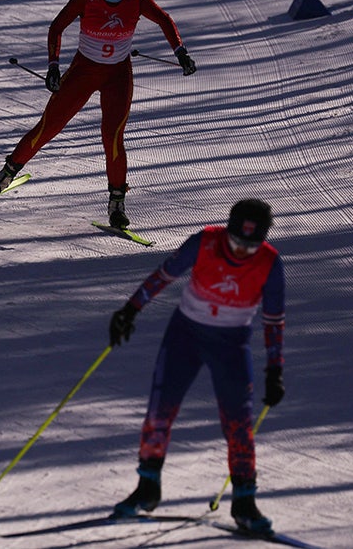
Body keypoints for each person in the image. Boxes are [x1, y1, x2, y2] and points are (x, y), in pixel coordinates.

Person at [0, 0, 196, 229]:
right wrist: (54, 67)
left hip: (118, 74)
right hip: (84, 71)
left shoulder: (137, 0)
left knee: (113, 137)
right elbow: (56, 27)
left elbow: (165, 20)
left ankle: (117, 202)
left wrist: (181, 53)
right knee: (49, 126)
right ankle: (5, 175)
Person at [107, 198, 286, 534]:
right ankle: (147, 488)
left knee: (239, 421)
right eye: (236, 242)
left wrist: (274, 369)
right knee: (160, 409)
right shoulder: (204, 241)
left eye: (251, 244)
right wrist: (130, 310)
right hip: (185, 335)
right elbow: (164, 275)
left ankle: (245, 502)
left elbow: (274, 320)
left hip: (231, 344)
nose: (242, 251)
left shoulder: (270, 264)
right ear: (227, 231)